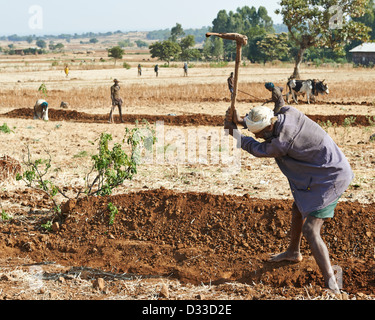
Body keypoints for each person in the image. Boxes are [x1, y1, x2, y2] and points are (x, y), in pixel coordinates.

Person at [224, 105, 354, 293]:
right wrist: (241, 120)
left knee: (311, 229)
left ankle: (333, 285)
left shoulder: (281, 143)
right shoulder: (287, 112)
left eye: (258, 133)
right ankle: (293, 252)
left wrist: (235, 135)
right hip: (321, 168)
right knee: (297, 208)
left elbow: (258, 148)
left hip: (331, 176)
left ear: (269, 127)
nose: (258, 137)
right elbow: (271, 117)